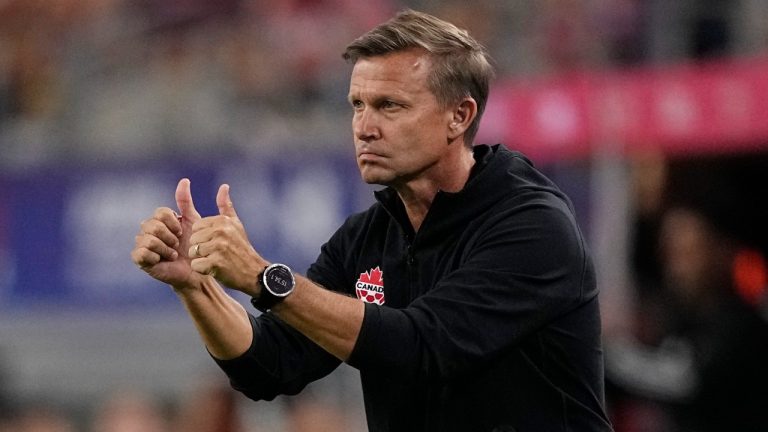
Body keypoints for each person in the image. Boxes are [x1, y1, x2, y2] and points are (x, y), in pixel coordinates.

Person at [131, 9, 613, 432]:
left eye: (390, 106)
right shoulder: (365, 238)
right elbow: (269, 365)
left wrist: (263, 278)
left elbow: (423, 347)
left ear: (459, 116)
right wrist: (196, 288)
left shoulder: (531, 226)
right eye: (357, 105)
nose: (364, 127)